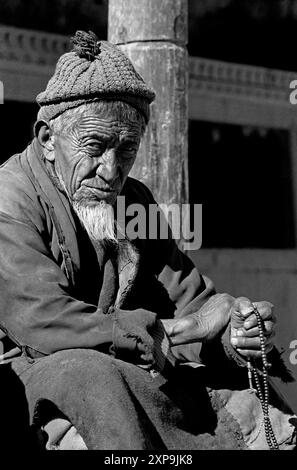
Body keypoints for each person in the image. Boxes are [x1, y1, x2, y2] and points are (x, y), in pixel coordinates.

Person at [0, 31, 293, 450]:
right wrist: (181, 329)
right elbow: (43, 322)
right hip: (37, 369)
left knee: (245, 387)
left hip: (128, 360)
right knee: (90, 376)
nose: (110, 170)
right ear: (48, 140)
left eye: (126, 150)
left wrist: (235, 329)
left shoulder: (133, 200)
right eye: (95, 146)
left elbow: (191, 298)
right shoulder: (9, 196)